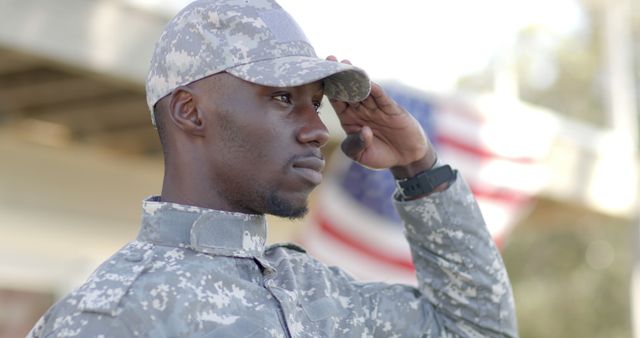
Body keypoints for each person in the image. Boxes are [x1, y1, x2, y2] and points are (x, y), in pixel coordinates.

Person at [28, 0, 518, 337]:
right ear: (189, 111)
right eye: (283, 98)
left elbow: (476, 328)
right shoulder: (111, 317)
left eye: (316, 103)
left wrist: (418, 166)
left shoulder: (319, 295)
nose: (317, 130)